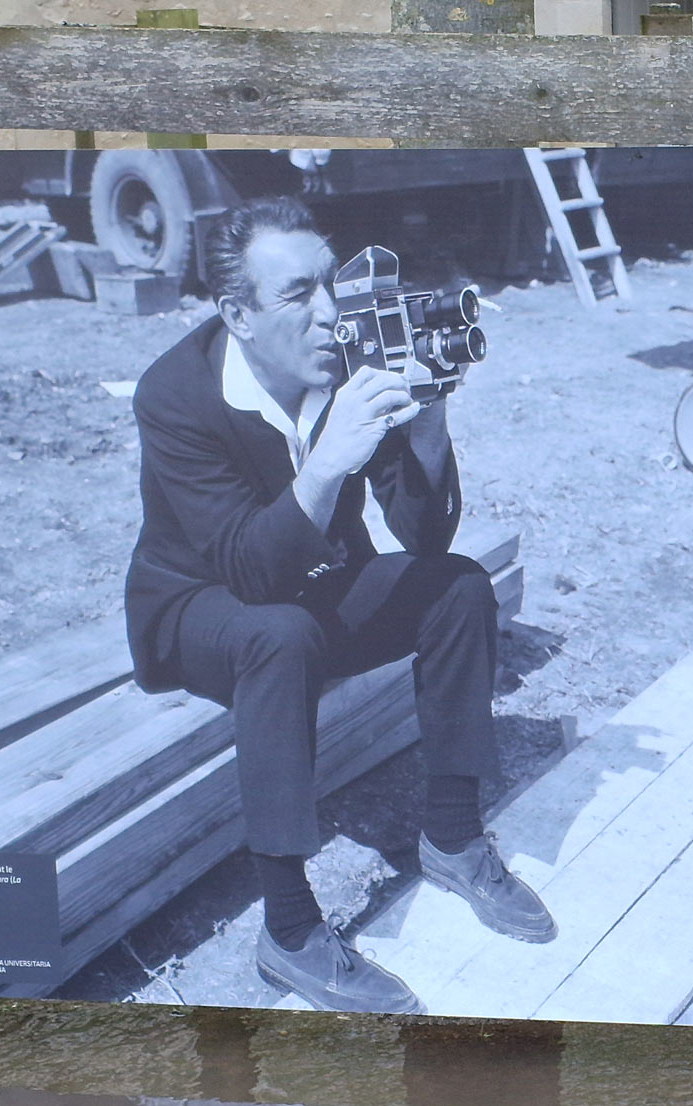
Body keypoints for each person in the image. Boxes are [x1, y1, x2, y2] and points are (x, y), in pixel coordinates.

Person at [124, 196, 556, 1015]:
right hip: (197, 608)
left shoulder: (352, 357)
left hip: (310, 583)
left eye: (331, 283)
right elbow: (248, 574)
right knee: (280, 636)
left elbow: (424, 536)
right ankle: (288, 932)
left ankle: (454, 837)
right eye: (296, 296)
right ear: (237, 315)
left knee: (460, 585)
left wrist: (427, 426)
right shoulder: (175, 395)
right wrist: (326, 464)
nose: (329, 314)